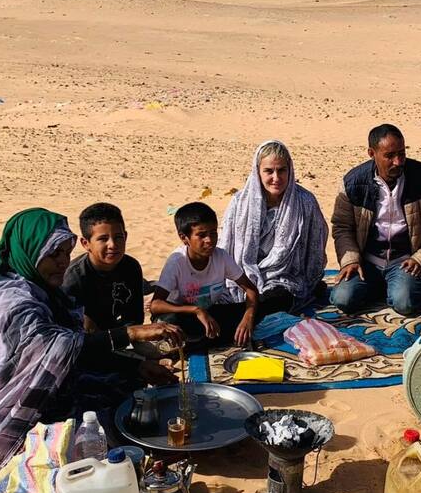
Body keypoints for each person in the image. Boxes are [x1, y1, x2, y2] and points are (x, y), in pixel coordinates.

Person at [0, 208, 181, 477]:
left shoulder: (40, 290)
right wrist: (129, 334)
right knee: (89, 432)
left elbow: (72, 348)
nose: (63, 262)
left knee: (126, 390)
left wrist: (135, 367)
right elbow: (59, 348)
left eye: (65, 252)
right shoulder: (8, 300)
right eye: (53, 254)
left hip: (29, 384)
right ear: (30, 251)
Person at [330, 124, 421, 316]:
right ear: (372, 153)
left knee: (403, 303)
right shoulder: (353, 182)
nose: (398, 162)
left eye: (402, 153)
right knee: (343, 299)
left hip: (407, 261)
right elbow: (342, 227)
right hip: (367, 262)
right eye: (389, 156)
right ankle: (381, 285)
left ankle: (395, 286)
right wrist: (350, 261)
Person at [218, 140, 328, 313]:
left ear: (289, 170)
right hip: (241, 277)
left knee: (278, 299)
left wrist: (309, 282)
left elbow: (314, 251)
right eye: (269, 171)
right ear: (258, 172)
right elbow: (224, 247)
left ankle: (243, 314)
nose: (276, 178)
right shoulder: (240, 203)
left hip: (284, 279)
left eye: (282, 170)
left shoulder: (305, 202)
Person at [150, 202, 265, 349]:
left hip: (208, 314)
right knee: (175, 326)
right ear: (184, 238)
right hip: (180, 315)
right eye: (201, 235)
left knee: (258, 308)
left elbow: (251, 290)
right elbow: (155, 305)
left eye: (213, 233)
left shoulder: (221, 257)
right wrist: (196, 310)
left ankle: (208, 340)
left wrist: (247, 319)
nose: (209, 240)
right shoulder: (177, 262)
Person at [62, 202, 145, 332]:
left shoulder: (131, 267)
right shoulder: (73, 278)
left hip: (123, 336)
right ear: (85, 243)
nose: (113, 244)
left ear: (126, 236)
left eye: (118, 237)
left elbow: (135, 318)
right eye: (103, 239)